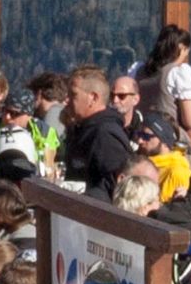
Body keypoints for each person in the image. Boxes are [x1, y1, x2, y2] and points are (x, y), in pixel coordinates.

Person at [58, 66, 139, 197]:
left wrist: (87, 195)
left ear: (93, 98)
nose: (66, 100)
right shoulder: (83, 129)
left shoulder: (105, 135)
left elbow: (119, 187)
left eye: (73, 94)